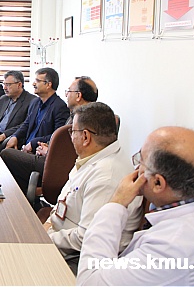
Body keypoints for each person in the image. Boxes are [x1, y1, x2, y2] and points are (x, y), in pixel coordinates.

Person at [77, 127, 194, 286]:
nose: (136, 167)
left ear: (158, 183)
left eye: (141, 160)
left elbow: (89, 281)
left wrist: (117, 202)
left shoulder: (173, 247)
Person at [45, 102, 142, 273]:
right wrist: (47, 224)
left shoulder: (106, 176)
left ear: (85, 137)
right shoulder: (93, 156)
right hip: (62, 238)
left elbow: (86, 238)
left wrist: (46, 239)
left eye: (72, 131)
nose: (71, 137)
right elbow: (65, 197)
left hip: (77, 259)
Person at [2, 76, 98, 193]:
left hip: (57, 164)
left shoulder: (85, 120)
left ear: (78, 96)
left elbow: (73, 155)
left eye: (69, 91)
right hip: (52, 155)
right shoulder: (77, 115)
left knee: (7, 154)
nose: (66, 95)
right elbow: (63, 142)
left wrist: (48, 152)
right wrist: (47, 146)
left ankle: (24, 197)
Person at [0, 67, 70, 191]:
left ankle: (21, 195)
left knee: (6, 154)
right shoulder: (35, 102)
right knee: (0, 149)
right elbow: (26, 124)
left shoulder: (59, 107)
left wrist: (33, 143)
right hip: (25, 147)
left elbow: (57, 136)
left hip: (39, 153)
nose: (33, 84)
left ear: (48, 84)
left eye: (37, 81)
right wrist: (15, 136)